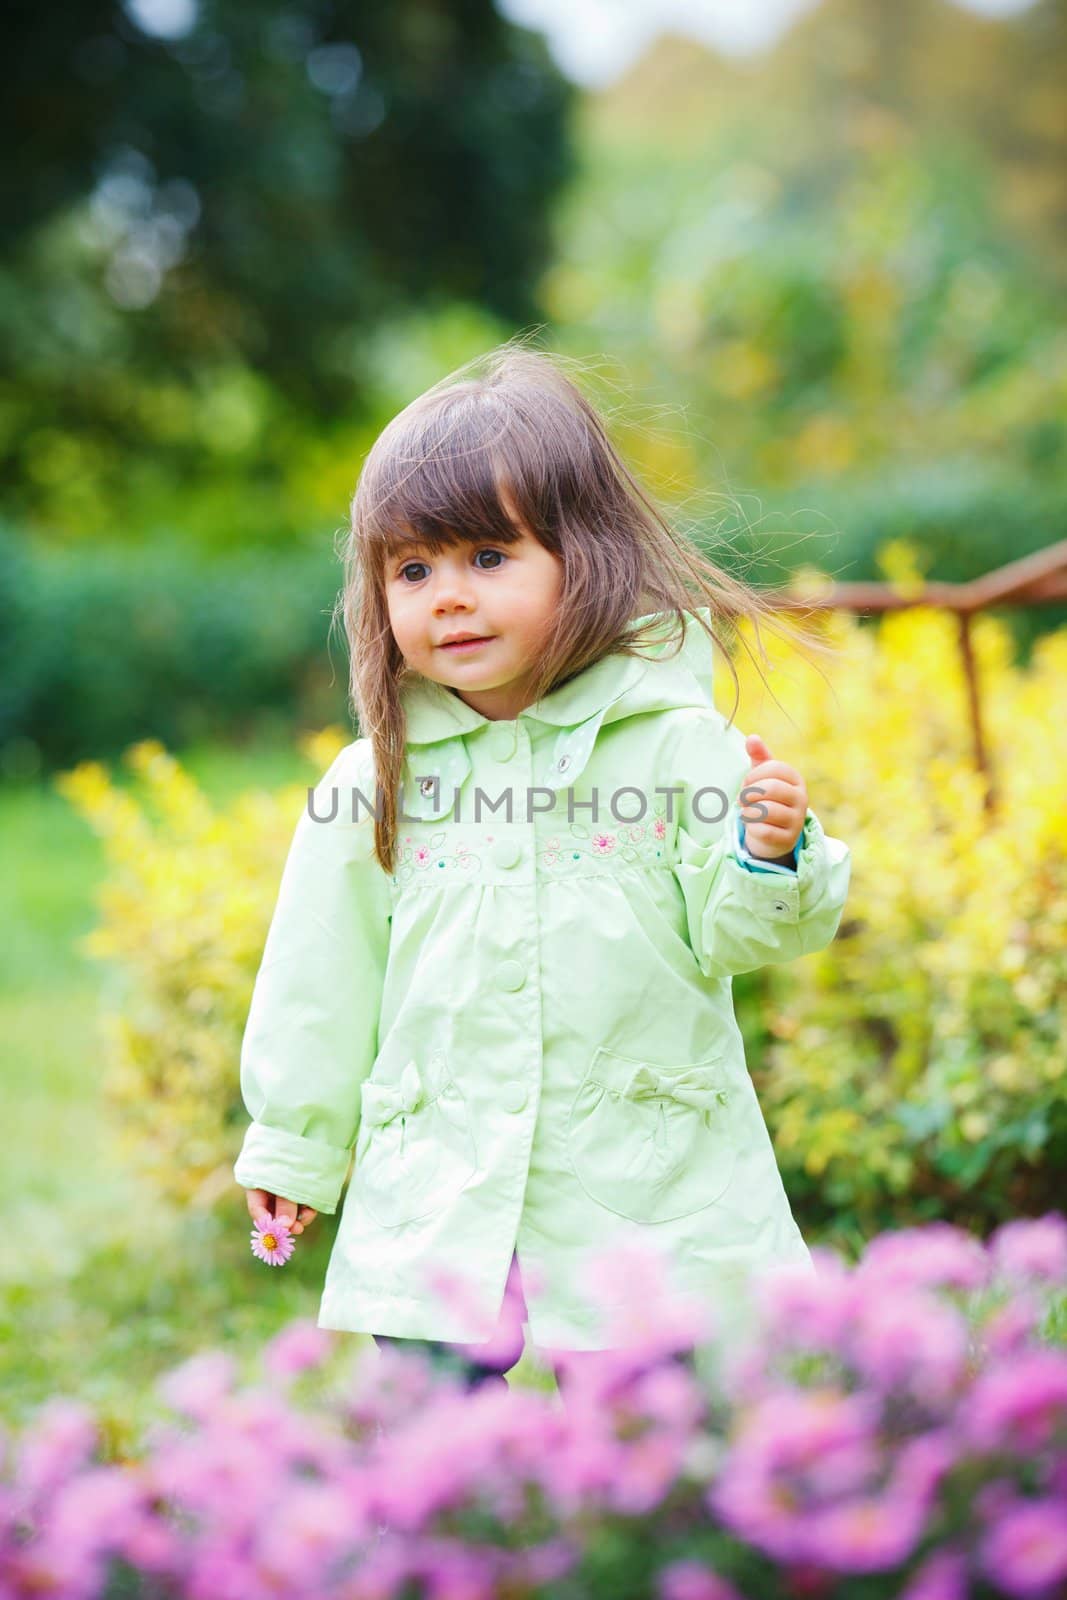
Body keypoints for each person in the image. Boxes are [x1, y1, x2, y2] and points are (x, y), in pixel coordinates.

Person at [234, 340, 852, 1394]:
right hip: (440, 1159)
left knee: (644, 1420)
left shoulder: (673, 745)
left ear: (585, 554)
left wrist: (765, 850)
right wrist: (294, 1144)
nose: (449, 598)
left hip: (639, 1166)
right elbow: (318, 973)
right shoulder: (374, 777)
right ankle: (452, 1550)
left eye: (487, 557)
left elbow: (739, 935)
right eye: (413, 569)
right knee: (431, 1413)